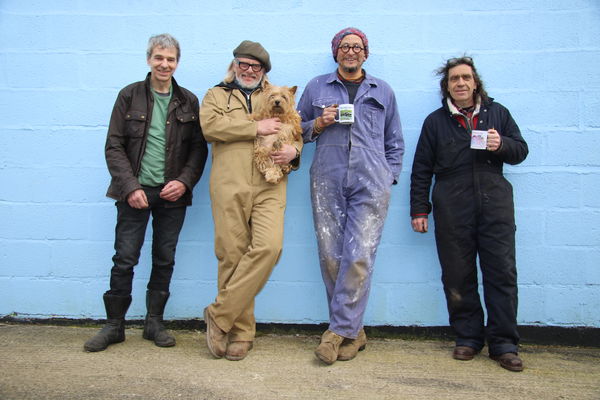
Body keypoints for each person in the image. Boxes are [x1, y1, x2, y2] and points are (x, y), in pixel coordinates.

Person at [84, 33, 208, 352]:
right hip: (134, 194)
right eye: (159, 58)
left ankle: (155, 322)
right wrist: (130, 187)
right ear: (149, 59)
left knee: (164, 258)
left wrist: (184, 181)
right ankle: (114, 326)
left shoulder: (188, 101)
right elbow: (114, 145)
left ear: (177, 63)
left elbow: (198, 149)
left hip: (172, 196)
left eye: (170, 59)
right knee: (124, 258)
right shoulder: (129, 96)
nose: (164, 64)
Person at [410, 56, 528, 372]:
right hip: (451, 203)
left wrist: (501, 144)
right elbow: (421, 168)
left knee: (501, 273)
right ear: (446, 86)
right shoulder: (435, 122)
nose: (460, 83)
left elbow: (520, 150)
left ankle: (504, 344)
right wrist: (419, 209)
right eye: (454, 79)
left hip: (495, 202)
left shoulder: (497, 113)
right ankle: (468, 338)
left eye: (465, 77)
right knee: (457, 273)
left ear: (475, 82)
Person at [297, 27, 404, 365]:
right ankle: (353, 332)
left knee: (358, 256)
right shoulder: (317, 87)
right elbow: (293, 130)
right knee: (331, 255)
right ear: (336, 52)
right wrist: (318, 122)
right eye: (344, 46)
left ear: (366, 53)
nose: (351, 51)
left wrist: (389, 176)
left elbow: (395, 141)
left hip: (370, 182)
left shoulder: (382, 91)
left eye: (357, 47)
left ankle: (335, 332)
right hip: (326, 179)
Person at [200, 40, 303, 361]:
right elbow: (209, 126)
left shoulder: (275, 94)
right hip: (228, 184)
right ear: (234, 65)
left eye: (255, 67)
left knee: (269, 248)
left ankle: (218, 315)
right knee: (231, 255)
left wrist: (294, 152)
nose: (248, 70)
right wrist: (253, 126)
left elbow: (296, 133)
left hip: (269, 184)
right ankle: (240, 333)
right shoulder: (216, 94)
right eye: (242, 64)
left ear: (264, 71)